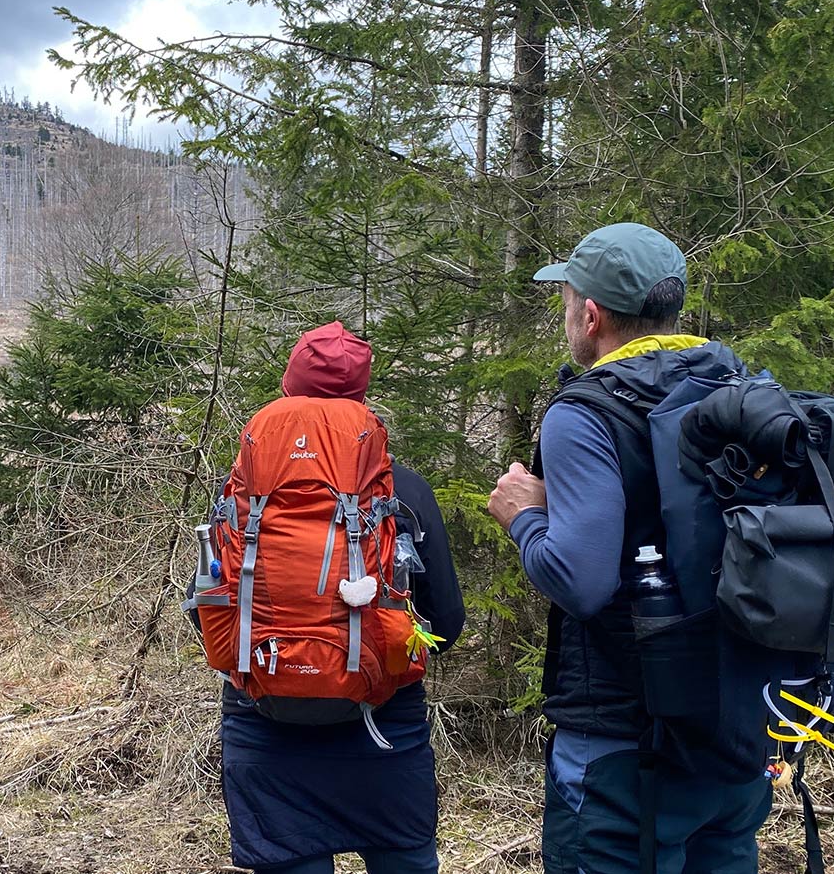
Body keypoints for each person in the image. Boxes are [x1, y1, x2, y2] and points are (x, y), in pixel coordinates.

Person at [486, 223, 771, 874]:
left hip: (619, 750)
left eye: (567, 303)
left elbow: (580, 581)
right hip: (730, 735)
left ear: (591, 316)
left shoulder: (586, 413)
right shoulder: (738, 388)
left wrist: (524, 517)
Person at [192, 321, 466, 874]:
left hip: (264, 726)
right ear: (361, 402)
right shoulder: (404, 491)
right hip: (383, 732)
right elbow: (446, 622)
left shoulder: (245, 491)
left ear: (288, 390)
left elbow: (210, 611)